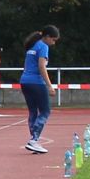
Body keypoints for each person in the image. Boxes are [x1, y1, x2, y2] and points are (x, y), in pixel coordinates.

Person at [20, 25, 60, 154]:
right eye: (53, 40)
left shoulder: (33, 45)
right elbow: (42, 67)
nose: (53, 43)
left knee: (33, 112)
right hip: (36, 82)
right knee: (45, 111)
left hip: (25, 81)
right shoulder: (43, 46)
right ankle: (34, 140)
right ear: (47, 37)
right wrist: (49, 85)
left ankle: (34, 141)